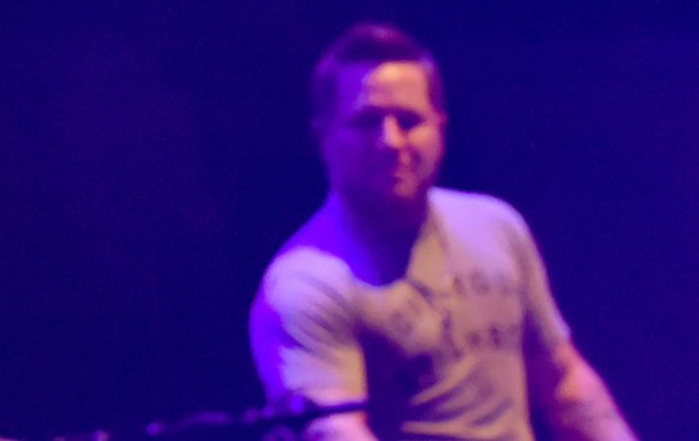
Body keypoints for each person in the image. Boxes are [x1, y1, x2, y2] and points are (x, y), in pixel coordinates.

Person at [249, 24, 638, 441]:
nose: (390, 141)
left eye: (409, 120)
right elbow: (335, 430)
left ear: (440, 128)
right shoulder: (304, 287)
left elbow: (563, 381)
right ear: (323, 136)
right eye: (366, 122)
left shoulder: (496, 227)